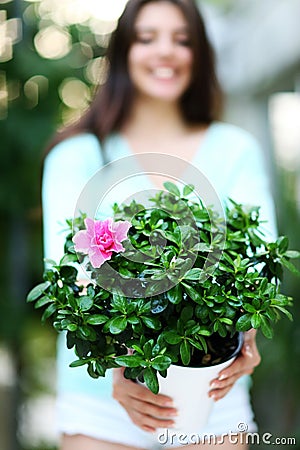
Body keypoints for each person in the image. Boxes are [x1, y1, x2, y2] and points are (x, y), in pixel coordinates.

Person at [42, 0, 276, 449]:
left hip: (212, 394)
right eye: (147, 38)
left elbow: (257, 266)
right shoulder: (76, 156)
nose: (165, 51)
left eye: (182, 39)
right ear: (124, 51)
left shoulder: (234, 149)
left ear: (200, 54)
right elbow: (67, 277)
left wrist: (246, 335)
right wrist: (119, 368)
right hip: (101, 406)